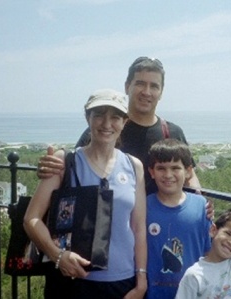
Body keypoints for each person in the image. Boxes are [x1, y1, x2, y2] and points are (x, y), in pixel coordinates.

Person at [24, 89, 147, 299]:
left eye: (115, 117)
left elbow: (138, 227)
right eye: (99, 114)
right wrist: (58, 256)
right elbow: (31, 219)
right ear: (87, 117)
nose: (106, 124)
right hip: (72, 280)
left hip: (122, 282)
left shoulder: (134, 166)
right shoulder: (65, 162)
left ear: (124, 122)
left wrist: (141, 279)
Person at [37, 56, 201, 196]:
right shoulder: (106, 130)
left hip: (159, 224)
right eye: (140, 83)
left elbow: (189, 175)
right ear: (127, 86)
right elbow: (74, 168)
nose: (146, 92)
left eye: (154, 86)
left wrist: (199, 200)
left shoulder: (172, 132)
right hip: (112, 224)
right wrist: (51, 170)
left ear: (161, 92)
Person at [145, 139, 212, 298]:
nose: (168, 175)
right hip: (154, 294)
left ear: (188, 171)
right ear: (152, 172)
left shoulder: (201, 206)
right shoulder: (143, 206)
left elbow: (209, 251)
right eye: (161, 168)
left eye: (175, 168)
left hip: (194, 293)